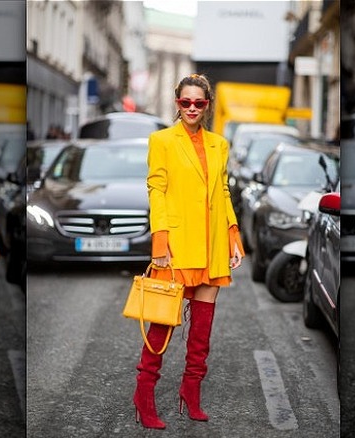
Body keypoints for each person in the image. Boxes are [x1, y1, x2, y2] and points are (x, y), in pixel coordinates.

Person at [133, 73, 244, 429]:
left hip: (211, 247)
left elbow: (223, 192)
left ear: (207, 105)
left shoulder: (219, 144)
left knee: (201, 335)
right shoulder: (161, 140)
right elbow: (157, 191)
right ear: (176, 103)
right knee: (161, 326)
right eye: (186, 102)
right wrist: (160, 243)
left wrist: (233, 236)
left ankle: (190, 391)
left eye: (199, 102)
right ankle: (144, 394)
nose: (192, 108)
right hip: (177, 247)